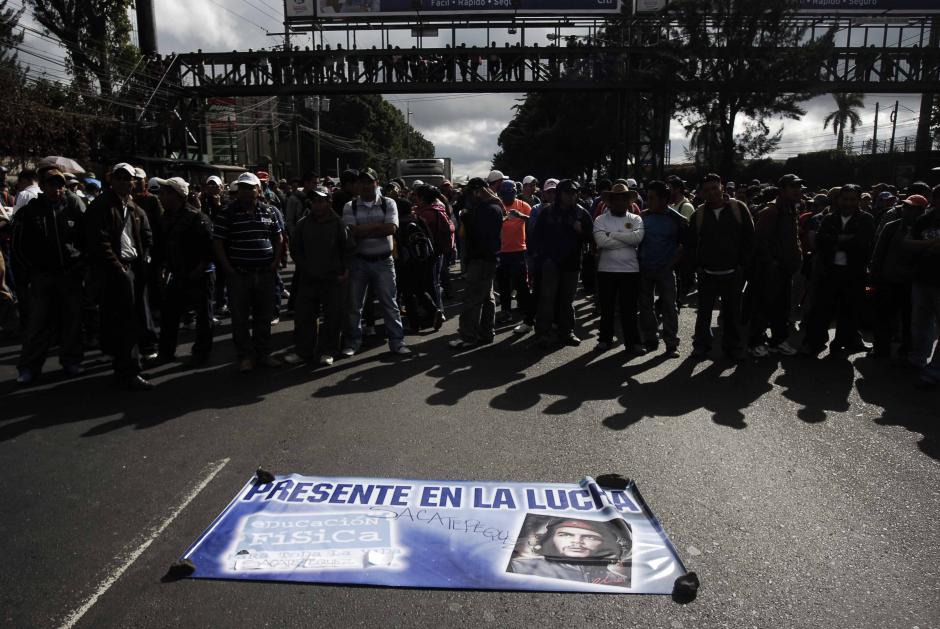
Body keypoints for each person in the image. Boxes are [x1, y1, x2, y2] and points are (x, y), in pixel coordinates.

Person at [85, 163, 155, 390]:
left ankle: (124, 365)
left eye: (129, 178)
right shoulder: (102, 206)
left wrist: (144, 258)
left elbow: (145, 236)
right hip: (115, 271)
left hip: (132, 267)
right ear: (111, 179)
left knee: (133, 320)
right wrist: (119, 269)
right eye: (120, 177)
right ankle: (129, 370)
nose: (125, 181)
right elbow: (99, 242)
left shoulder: (133, 207)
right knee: (125, 322)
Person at [12, 169, 85, 384]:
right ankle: (29, 368)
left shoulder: (72, 209)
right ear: (42, 186)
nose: (57, 189)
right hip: (42, 277)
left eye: (60, 184)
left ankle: (71, 360)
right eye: (52, 184)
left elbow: (84, 239)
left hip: (69, 276)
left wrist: (80, 263)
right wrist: (30, 271)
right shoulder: (29, 212)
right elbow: (18, 247)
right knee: (37, 325)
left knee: (72, 321)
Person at [212, 171, 284, 371]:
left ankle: (264, 354)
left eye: (250, 187)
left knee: (264, 316)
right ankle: (245, 356)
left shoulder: (268, 211)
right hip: (239, 275)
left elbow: (278, 239)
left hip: (264, 273)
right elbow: (218, 242)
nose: (246, 191)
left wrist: (274, 263)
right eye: (243, 187)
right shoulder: (227, 212)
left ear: (258, 190)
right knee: (240, 318)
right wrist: (228, 268)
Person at [342, 168, 411, 356]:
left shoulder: (388, 203)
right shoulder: (350, 206)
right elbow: (350, 231)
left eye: (369, 181)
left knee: (390, 304)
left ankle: (397, 342)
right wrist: (377, 227)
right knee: (355, 306)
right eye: (362, 182)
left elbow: (391, 228)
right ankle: (353, 342)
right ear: (358, 185)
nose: (365, 185)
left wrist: (363, 229)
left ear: (376, 183)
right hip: (358, 262)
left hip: (384, 261)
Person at [686, 173, 755, 361]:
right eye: (707, 190)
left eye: (715, 188)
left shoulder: (738, 208)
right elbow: (691, 245)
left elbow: (750, 239)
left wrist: (742, 266)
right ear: (701, 193)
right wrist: (697, 267)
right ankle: (701, 346)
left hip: (733, 273)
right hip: (707, 273)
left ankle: (732, 347)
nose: (712, 193)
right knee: (704, 313)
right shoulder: (698, 214)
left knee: (732, 313)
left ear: (722, 187)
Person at [801, 184, 875, 358]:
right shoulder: (829, 219)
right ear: (838, 200)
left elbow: (861, 244)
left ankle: (842, 343)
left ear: (858, 201)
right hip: (829, 273)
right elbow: (820, 242)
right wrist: (843, 240)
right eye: (845, 199)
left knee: (849, 311)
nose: (848, 203)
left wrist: (834, 242)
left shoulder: (866, 219)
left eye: (852, 200)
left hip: (853, 274)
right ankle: (814, 343)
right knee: (820, 311)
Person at [284, 186, 349, 367]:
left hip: (332, 280)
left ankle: (328, 351)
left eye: (322, 201)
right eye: (314, 201)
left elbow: (348, 250)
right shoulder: (303, 223)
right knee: (304, 317)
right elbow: (296, 250)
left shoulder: (338, 223)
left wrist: (345, 271)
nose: (318, 205)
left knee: (332, 318)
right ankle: (304, 351)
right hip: (308, 279)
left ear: (329, 202)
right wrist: (305, 267)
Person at [154, 177, 214, 366]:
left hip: (199, 274)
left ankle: (200, 354)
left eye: (164, 193)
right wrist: (162, 268)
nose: (161, 196)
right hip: (177, 274)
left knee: (203, 317)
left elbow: (209, 248)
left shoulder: (197, 217)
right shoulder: (165, 217)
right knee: (169, 315)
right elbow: (162, 247)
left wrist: (200, 269)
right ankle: (166, 352)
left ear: (177, 195)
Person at [531, 179, 594, 348]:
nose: (571, 196)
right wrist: (542, 259)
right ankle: (542, 333)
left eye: (574, 193)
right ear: (560, 194)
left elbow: (592, 237)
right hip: (550, 263)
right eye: (568, 193)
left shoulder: (581, 213)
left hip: (572, 263)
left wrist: (581, 231)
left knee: (567, 300)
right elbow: (536, 237)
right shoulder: (547, 212)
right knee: (547, 298)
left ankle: (567, 333)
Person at [747, 174, 804, 357]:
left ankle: (778, 341)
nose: (798, 190)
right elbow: (759, 241)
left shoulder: (791, 208)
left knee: (782, 307)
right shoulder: (772, 211)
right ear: (782, 190)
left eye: (799, 186)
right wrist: (772, 263)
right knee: (764, 306)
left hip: (786, 268)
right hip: (773, 270)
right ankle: (756, 343)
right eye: (793, 186)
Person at [869, 194, 927, 359]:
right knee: (883, 316)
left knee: (909, 320)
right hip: (887, 280)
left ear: (921, 212)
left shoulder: (924, 231)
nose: (906, 210)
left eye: (911, 208)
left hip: (912, 283)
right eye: (905, 207)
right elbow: (878, 253)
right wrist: (873, 277)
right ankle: (881, 348)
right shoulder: (891, 226)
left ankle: (906, 351)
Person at [448, 177, 502, 350]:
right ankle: (486, 333)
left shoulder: (479, 211)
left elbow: (473, 234)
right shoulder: (496, 208)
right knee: (487, 297)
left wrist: (466, 216)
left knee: (472, 298)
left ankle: (468, 336)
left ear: (477, 192)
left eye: (471, 192)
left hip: (479, 259)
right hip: (491, 258)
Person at [593, 182, 645, 353]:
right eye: (616, 199)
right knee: (607, 309)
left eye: (623, 199)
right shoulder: (600, 219)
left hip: (630, 270)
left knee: (629, 309)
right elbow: (601, 242)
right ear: (610, 201)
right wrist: (625, 238)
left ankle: (633, 343)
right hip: (606, 270)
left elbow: (637, 239)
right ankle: (604, 340)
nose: (620, 202)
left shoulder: (636, 218)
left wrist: (613, 235)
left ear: (628, 201)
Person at [638, 180, 686, 357]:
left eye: (651, 198)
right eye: (647, 197)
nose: (647, 201)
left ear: (664, 199)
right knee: (645, 306)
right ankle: (650, 339)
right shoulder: (642, 217)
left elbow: (685, 245)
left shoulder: (678, 220)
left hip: (666, 271)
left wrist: (671, 264)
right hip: (645, 269)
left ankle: (671, 344)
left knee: (669, 307)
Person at [507, 518, 631, 588]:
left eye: (589, 537)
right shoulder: (519, 568)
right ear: (551, 539)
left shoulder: (617, 578)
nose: (577, 542)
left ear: (604, 542)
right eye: (565, 535)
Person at [905, 185, 940, 388]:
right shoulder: (924, 220)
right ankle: (917, 359)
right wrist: (933, 243)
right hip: (922, 279)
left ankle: (935, 369)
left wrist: (923, 245)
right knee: (919, 323)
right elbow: (907, 243)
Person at [396, 197, 443, 334]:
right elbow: (430, 239)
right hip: (424, 260)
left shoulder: (399, 223)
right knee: (420, 289)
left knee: (408, 293)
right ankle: (434, 310)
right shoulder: (418, 219)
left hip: (406, 263)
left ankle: (414, 324)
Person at [495, 179, 532, 325]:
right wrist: (503, 219)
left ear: (515, 193)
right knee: (504, 284)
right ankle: (506, 311)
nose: (507, 197)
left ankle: (524, 308)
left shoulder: (523, 205)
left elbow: (534, 221)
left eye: (510, 193)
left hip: (519, 250)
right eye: (504, 194)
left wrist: (521, 216)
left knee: (522, 282)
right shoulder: (498, 206)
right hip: (502, 252)